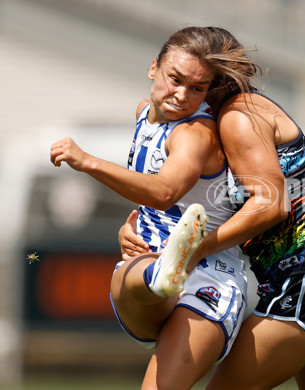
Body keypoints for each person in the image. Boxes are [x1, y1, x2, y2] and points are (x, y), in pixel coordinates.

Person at [120, 26, 305, 389]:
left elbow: (271, 205)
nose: (183, 94)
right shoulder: (239, 112)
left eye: (197, 85)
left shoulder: (237, 117)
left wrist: (195, 250)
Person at [50, 27, 250, 390]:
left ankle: (161, 275)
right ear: (153, 68)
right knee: (138, 271)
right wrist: (128, 228)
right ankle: (160, 277)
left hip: (210, 276)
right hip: (149, 257)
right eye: (175, 79)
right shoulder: (145, 114)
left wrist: (87, 161)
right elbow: (152, 201)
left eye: (197, 88)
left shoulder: (194, 133)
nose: (181, 95)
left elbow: (164, 192)